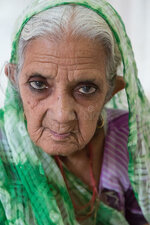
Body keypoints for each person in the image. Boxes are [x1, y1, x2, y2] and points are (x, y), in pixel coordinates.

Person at [0, 0, 150, 224]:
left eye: (86, 89)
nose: (61, 114)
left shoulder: (136, 144)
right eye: (39, 84)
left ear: (111, 91)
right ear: (14, 79)